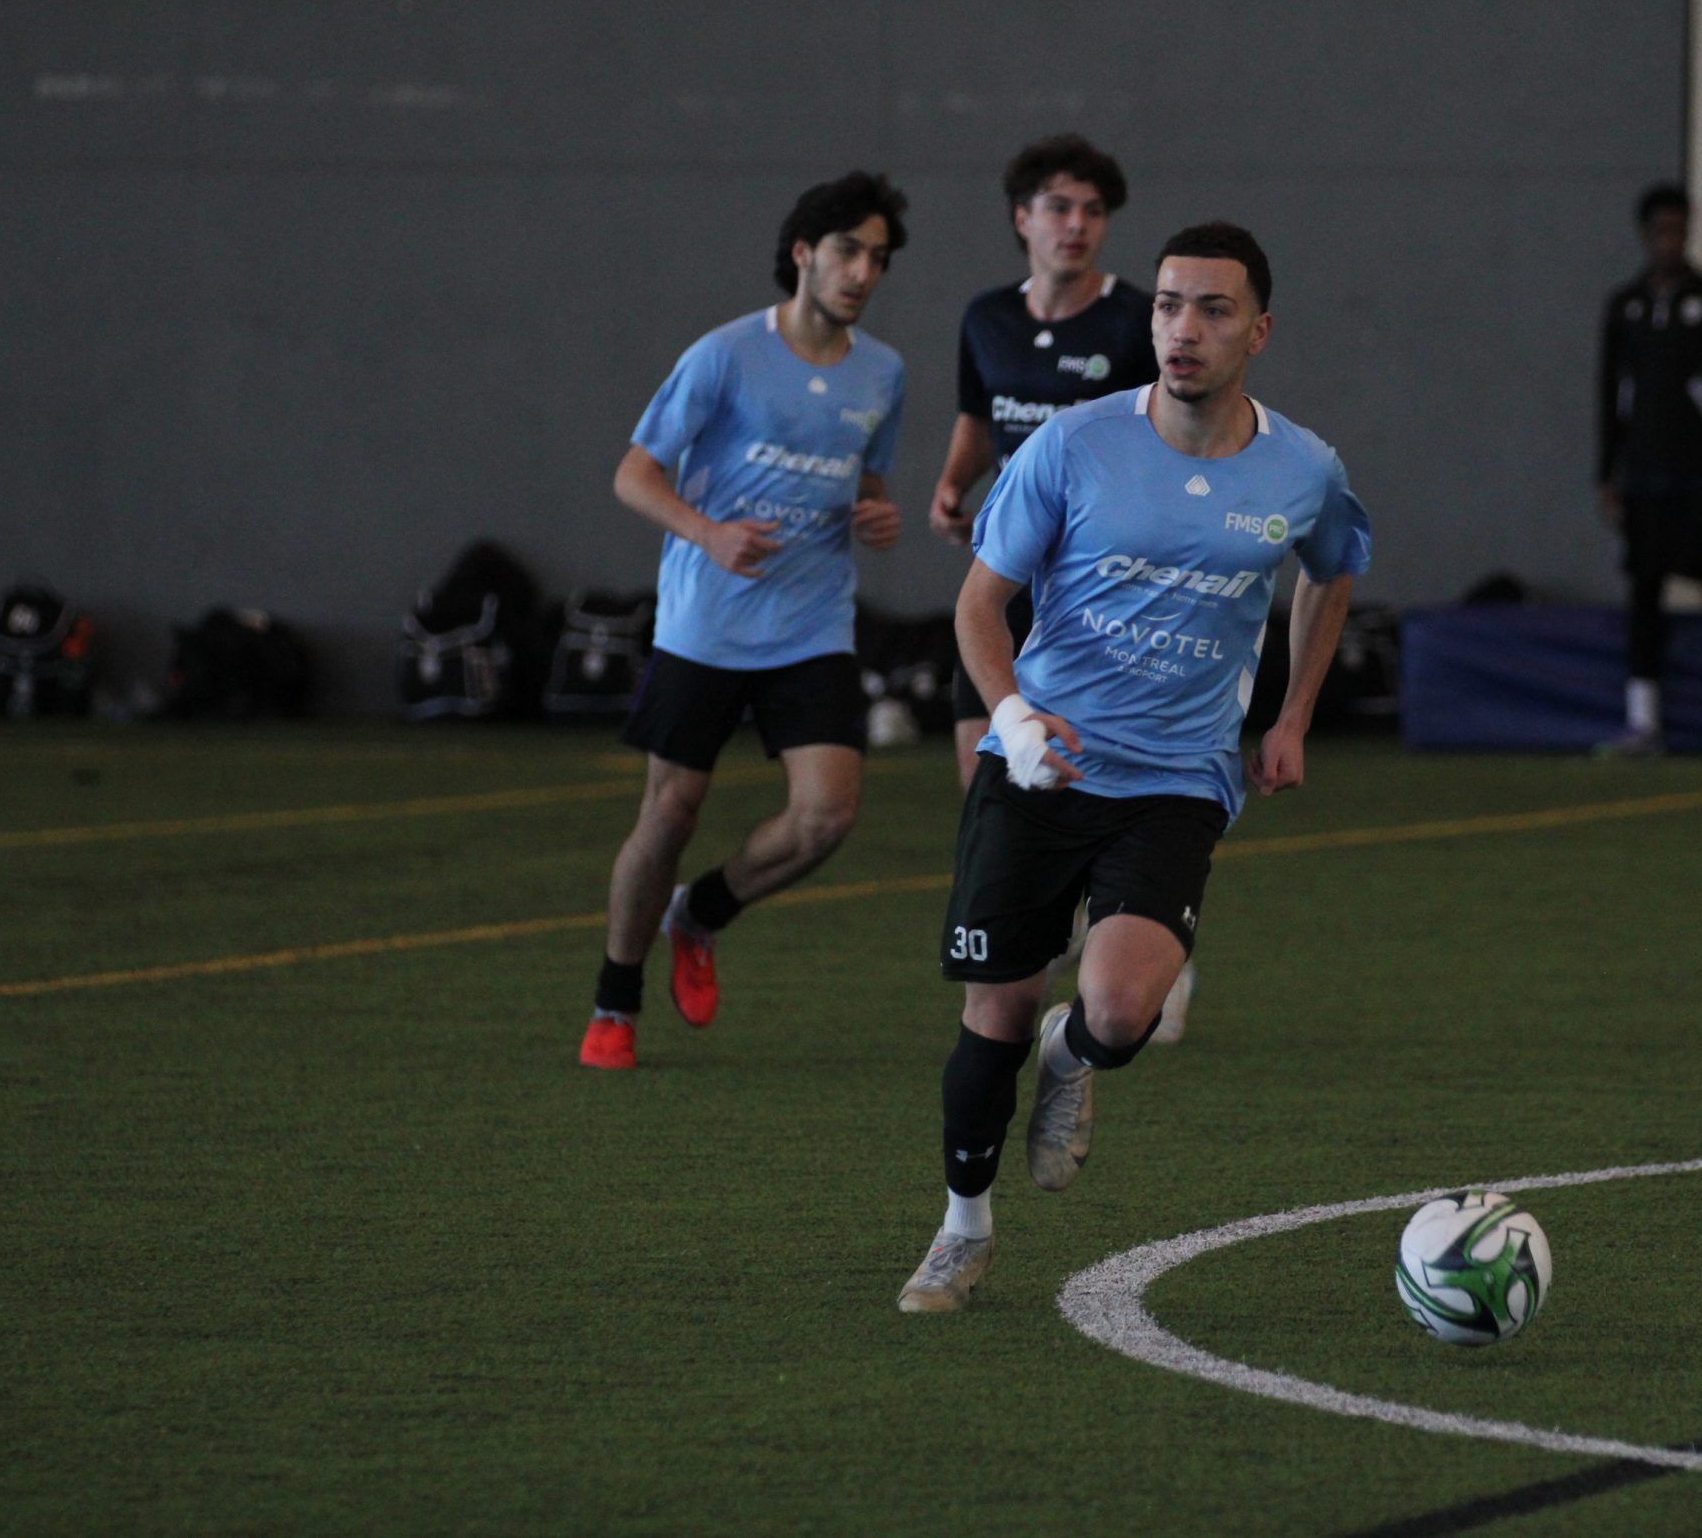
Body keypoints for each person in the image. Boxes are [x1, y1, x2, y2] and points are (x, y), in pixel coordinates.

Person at [898, 222, 1371, 1312]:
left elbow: (1332, 569)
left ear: (1260, 330)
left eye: (1211, 308)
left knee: (1116, 1013)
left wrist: (1293, 715)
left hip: (1176, 779)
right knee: (995, 1015)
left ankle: (1072, 1059)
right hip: (1042, 766)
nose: (1182, 329)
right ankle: (961, 1228)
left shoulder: (1304, 467)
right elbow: (978, 604)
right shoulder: (1072, 444)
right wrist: (1014, 720)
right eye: (1166, 305)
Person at [578, 172, 909, 1071]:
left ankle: (701, 913)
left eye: (878, 258)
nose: (862, 272)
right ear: (803, 253)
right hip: (707, 624)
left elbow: (868, 479)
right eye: (847, 251)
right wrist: (707, 532)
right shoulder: (723, 355)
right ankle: (615, 999)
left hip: (812, 624)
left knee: (826, 817)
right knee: (670, 811)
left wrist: (876, 515)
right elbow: (634, 474)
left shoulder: (883, 372)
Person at [926, 137, 1187, 1034]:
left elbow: (1172, 439)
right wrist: (954, 482)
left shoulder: (1135, 323)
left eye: (1093, 211)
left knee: (1111, 784)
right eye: (1059, 207)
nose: (1077, 225)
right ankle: (1023, 958)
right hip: (1006, 584)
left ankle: (1146, 939)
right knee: (991, 777)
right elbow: (980, 417)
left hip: (1099, 596)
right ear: (1021, 218)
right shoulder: (987, 317)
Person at [1594, 183, 1702, 757]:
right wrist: (1607, 474)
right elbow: (1610, 395)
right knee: (1644, 594)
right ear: (1646, 235)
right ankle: (1643, 721)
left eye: (1680, 230)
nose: (1671, 241)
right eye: (1662, 231)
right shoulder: (1624, 306)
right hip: (1644, 476)